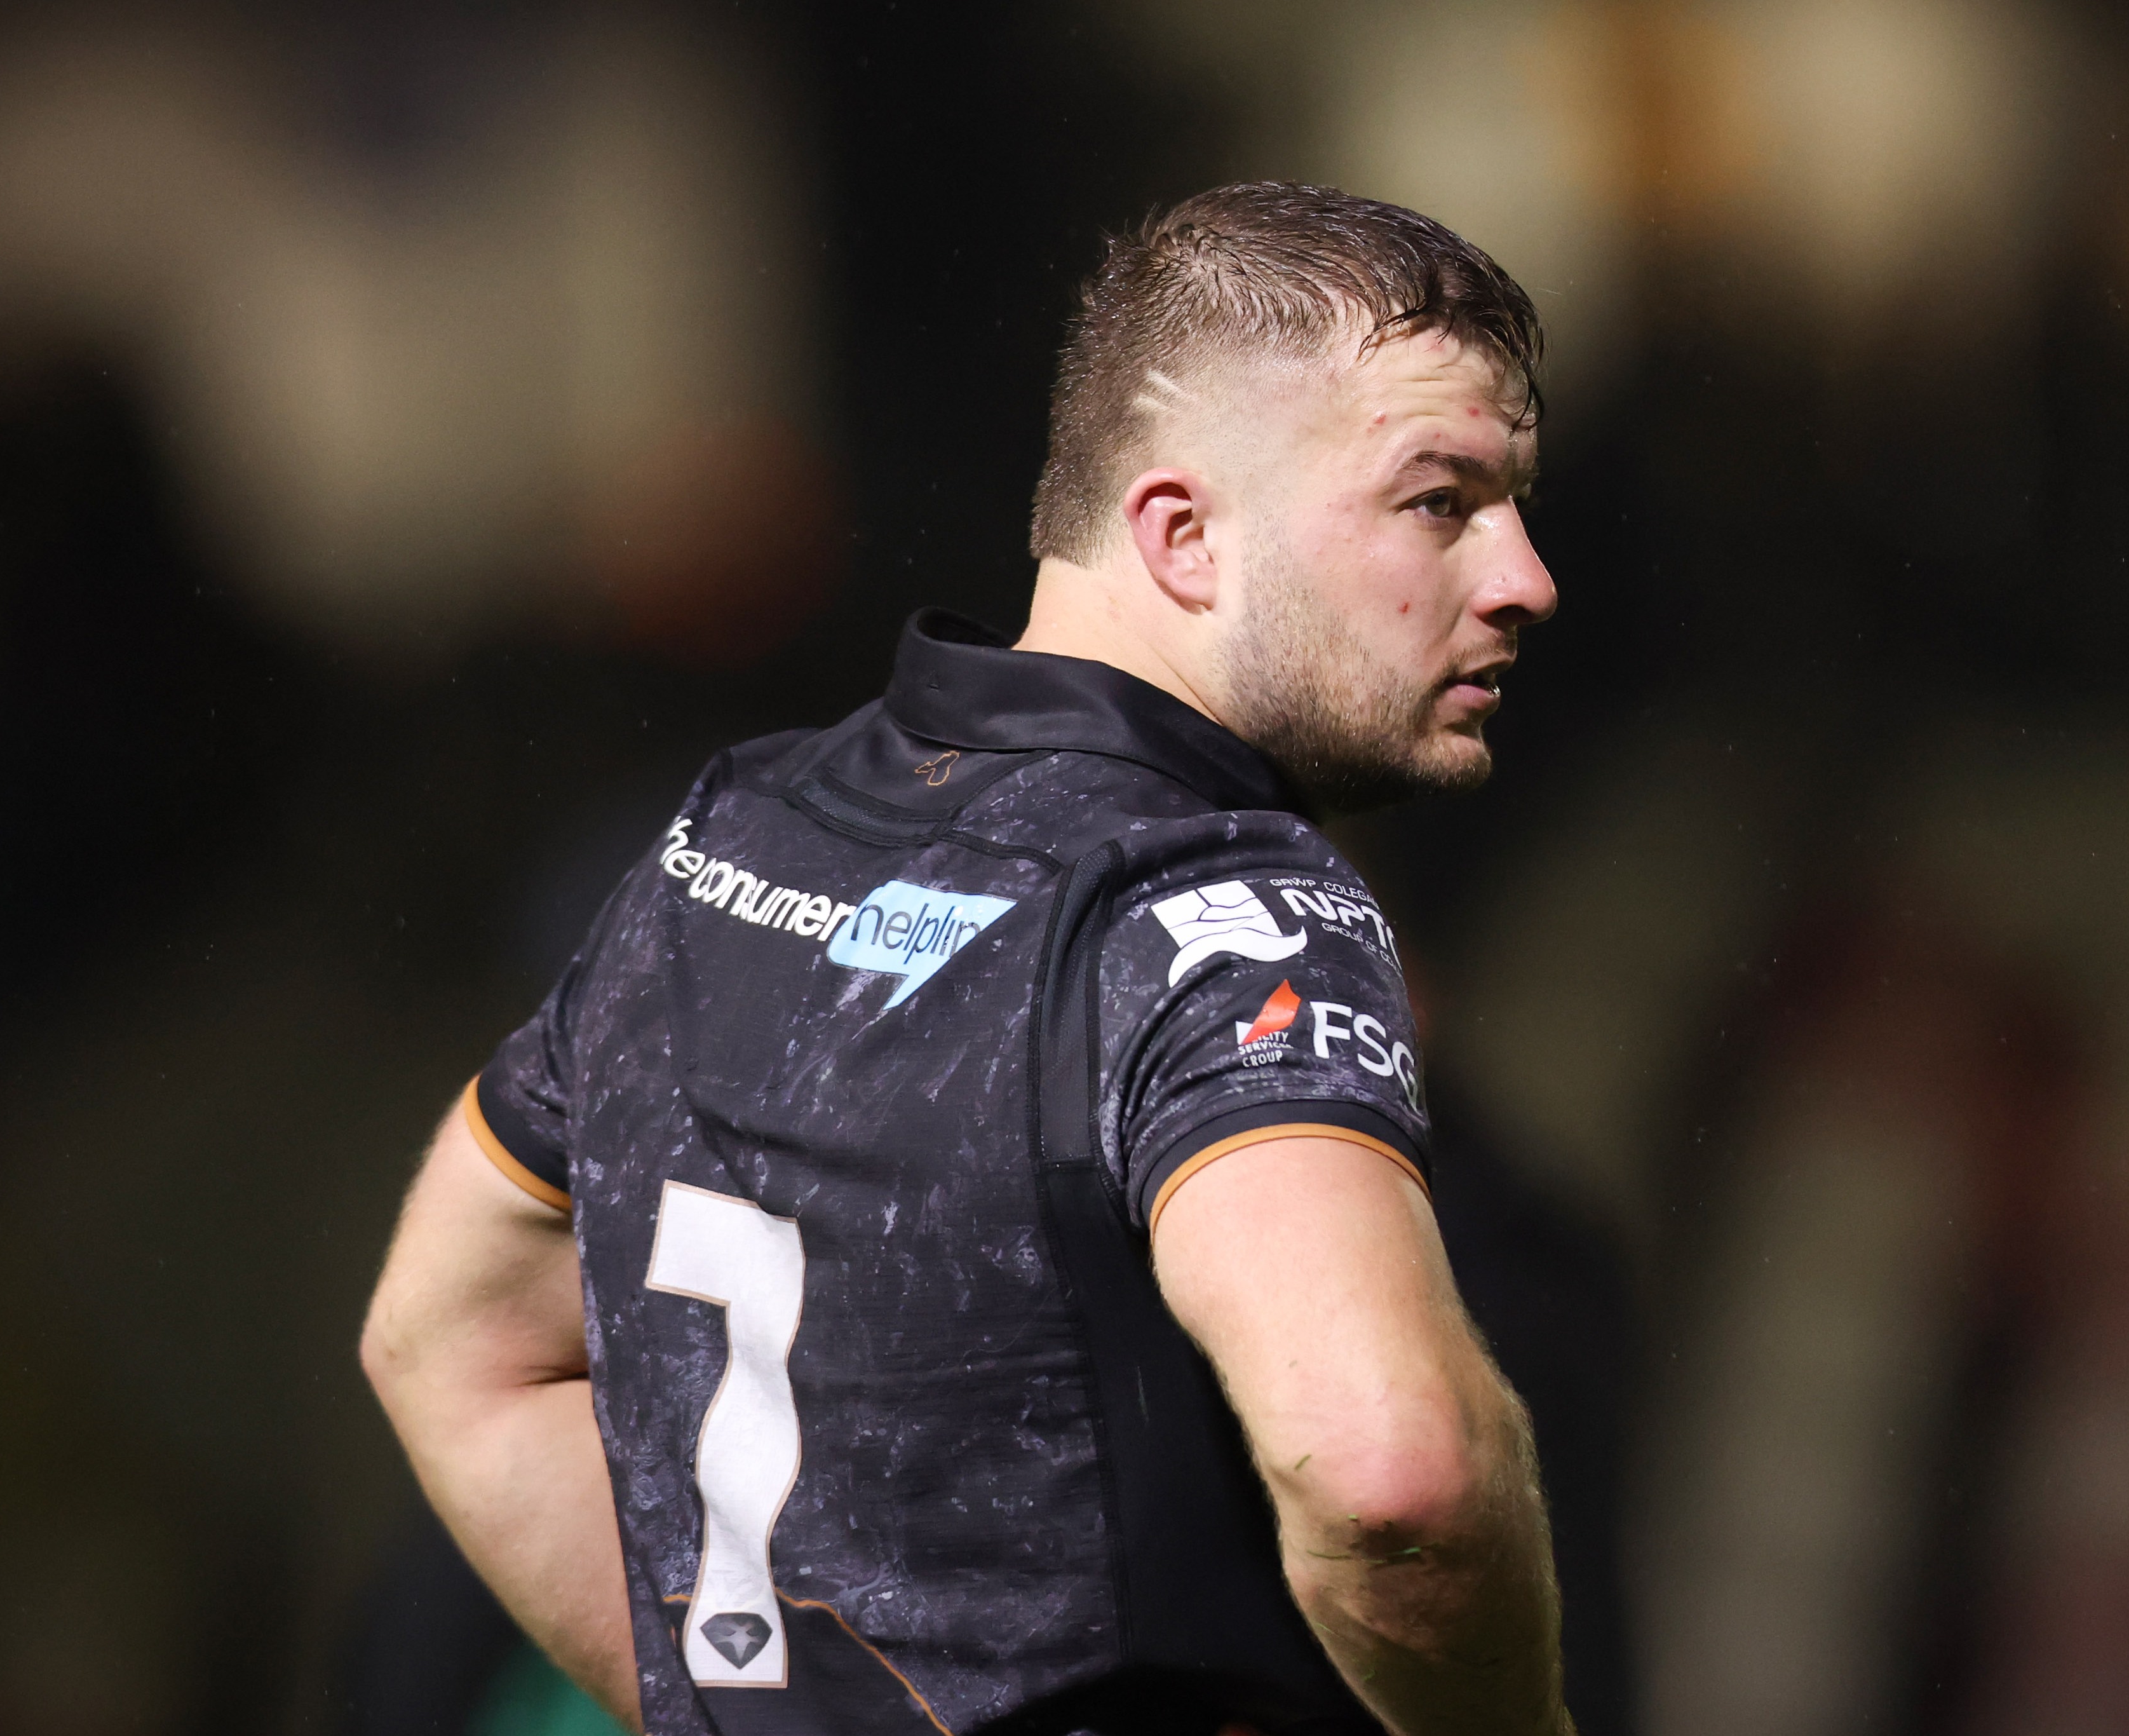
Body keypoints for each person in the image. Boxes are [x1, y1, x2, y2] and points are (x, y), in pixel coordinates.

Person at [361, 181, 1569, 1736]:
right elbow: (1393, 1477)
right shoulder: (1218, 904)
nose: (1523, 575)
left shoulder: (730, 837)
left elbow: (442, 1342)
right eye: (1439, 501)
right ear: (1182, 535)